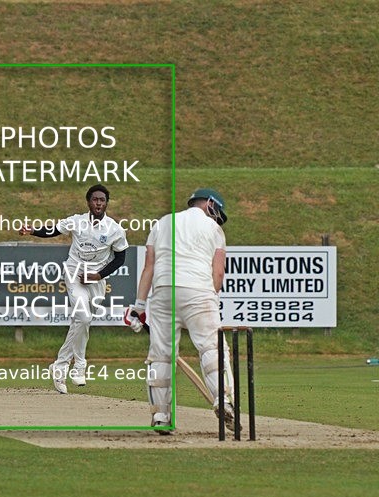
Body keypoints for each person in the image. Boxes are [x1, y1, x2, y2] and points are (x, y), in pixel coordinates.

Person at [125, 188, 236, 435]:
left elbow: (149, 268)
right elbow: (217, 274)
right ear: (209, 203)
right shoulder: (214, 229)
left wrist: (139, 307)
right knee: (211, 347)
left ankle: (161, 416)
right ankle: (224, 399)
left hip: (163, 292)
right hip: (199, 289)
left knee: (161, 355)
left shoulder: (162, 223)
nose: (218, 217)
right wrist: (208, 300)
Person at [19, 184, 128, 394]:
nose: (98, 203)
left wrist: (98, 275)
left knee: (80, 321)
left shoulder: (114, 229)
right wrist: (33, 230)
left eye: (102, 200)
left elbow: (121, 257)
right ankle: (79, 367)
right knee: (84, 318)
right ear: (88, 202)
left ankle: (59, 366)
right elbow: (53, 230)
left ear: (106, 203)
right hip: (74, 272)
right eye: (95, 199)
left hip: (96, 279)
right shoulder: (77, 221)